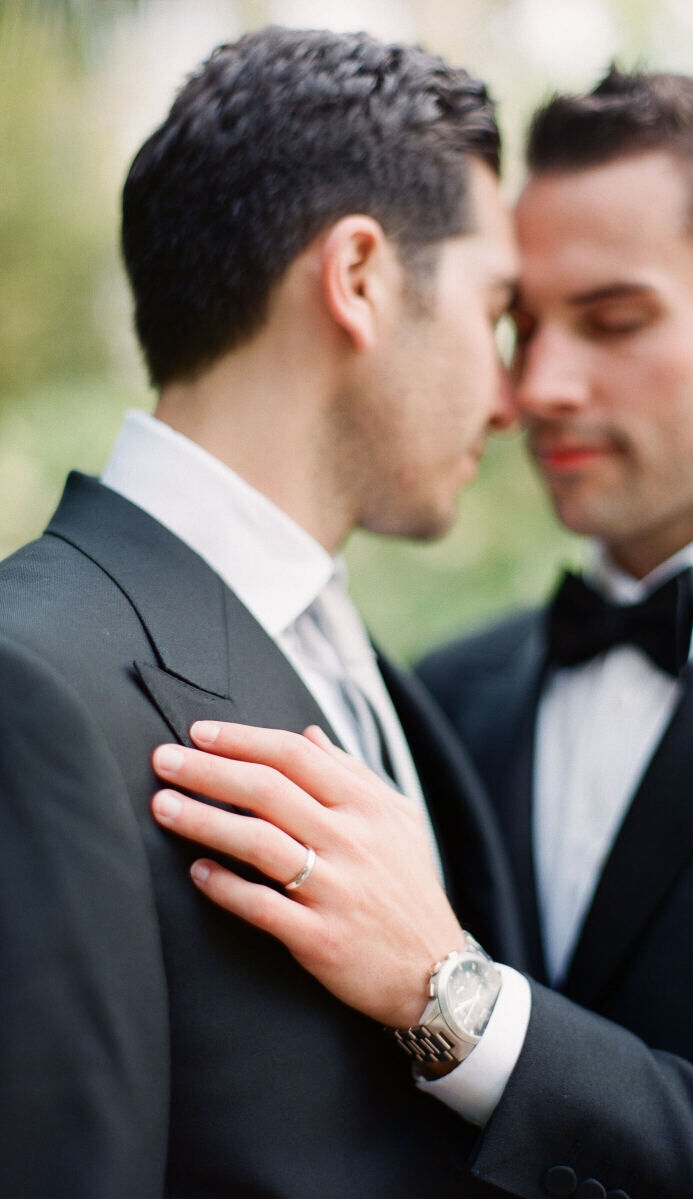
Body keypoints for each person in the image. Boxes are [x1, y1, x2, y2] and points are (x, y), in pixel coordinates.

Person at [150, 70, 693, 1198]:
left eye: (614, 321)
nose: (540, 385)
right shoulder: (440, 695)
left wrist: (456, 997)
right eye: (517, 325)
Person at [0, 26, 530, 1198]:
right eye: (495, 312)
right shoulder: (28, 678)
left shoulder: (379, 672)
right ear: (358, 277)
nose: (514, 397)